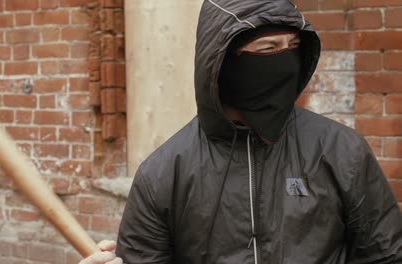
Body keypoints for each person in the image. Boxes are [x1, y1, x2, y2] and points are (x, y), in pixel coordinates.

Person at [80, 0, 402, 263]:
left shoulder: (341, 151)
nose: (286, 61)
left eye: (293, 46)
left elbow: (387, 255)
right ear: (222, 62)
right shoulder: (163, 175)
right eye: (268, 49)